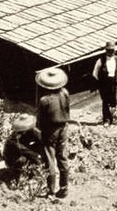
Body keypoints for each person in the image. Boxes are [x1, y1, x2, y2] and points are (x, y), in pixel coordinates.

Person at [36, 67, 71, 199]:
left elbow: (40, 119)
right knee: (62, 157)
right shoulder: (65, 93)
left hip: (50, 130)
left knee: (50, 158)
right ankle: (64, 188)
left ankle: (50, 190)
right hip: (64, 127)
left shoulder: (44, 100)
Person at [92, 41, 117, 126]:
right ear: (106, 50)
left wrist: (114, 79)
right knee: (105, 101)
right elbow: (95, 73)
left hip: (113, 83)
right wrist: (102, 80)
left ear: (114, 50)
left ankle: (113, 118)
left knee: (113, 101)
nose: (110, 52)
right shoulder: (100, 60)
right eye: (109, 50)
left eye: (112, 50)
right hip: (104, 84)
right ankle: (106, 120)